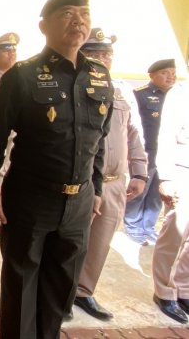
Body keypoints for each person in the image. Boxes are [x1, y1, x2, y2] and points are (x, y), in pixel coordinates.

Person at [0, 0, 113, 338]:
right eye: (67, 13)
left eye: (83, 14)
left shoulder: (99, 76)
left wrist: (96, 189)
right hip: (31, 199)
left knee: (59, 289)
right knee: (22, 284)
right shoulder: (22, 75)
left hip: (79, 203)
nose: (78, 21)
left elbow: (99, 140)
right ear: (44, 26)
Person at [71, 28, 147, 321]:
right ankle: (61, 293)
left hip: (115, 183)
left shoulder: (121, 90)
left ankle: (84, 292)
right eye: (94, 54)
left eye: (107, 54)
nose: (102, 59)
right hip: (82, 182)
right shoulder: (74, 88)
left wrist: (139, 172)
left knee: (101, 242)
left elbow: (134, 132)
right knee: (72, 242)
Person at [125, 58, 177, 245]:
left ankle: (148, 227)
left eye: (173, 72)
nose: (170, 76)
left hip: (166, 152)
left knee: (157, 192)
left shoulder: (176, 96)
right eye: (165, 72)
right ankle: (132, 226)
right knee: (140, 190)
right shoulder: (140, 95)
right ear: (152, 75)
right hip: (145, 151)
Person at [151, 78, 189, 323]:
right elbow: (165, 136)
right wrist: (165, 177)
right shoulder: (181, 92)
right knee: (174, 233)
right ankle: (164, 291)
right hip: (182, 170)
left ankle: (184, 287)